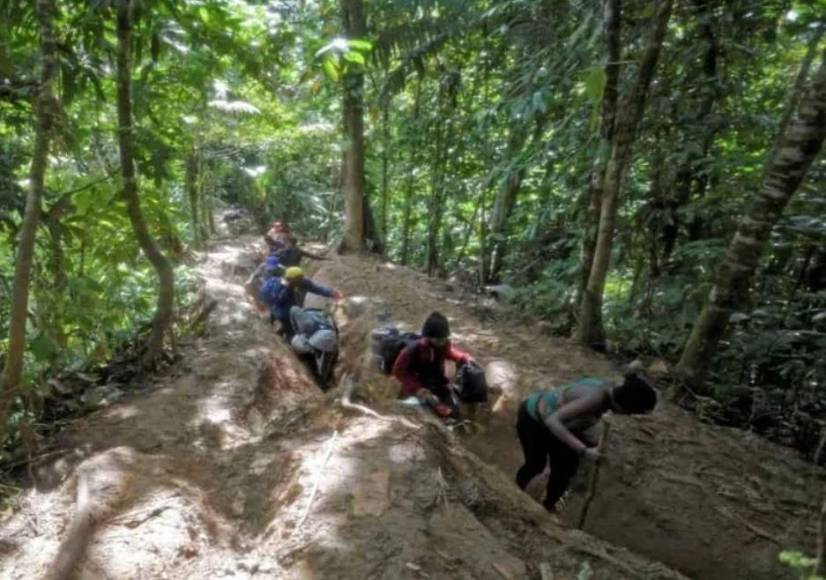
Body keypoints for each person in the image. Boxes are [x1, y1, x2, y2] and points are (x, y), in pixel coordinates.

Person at [515, 371, 657, 512]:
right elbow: (553, 421)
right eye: (629, 412)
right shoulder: (595, 400)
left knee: (566, 469)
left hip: (562, 425)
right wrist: (584, 450)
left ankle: (547, 506)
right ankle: (514, 491)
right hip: (533, 420)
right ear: (622, 406)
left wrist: (632, 372)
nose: (628, 415)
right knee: (535, 464)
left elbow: (630, 372)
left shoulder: (613, 387)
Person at [392, 312, 472, 417]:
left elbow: (449, 352)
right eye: (438, 339)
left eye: (444, 338)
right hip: (416, 385)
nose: (442, 342)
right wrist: (417, 389)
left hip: (436, 384)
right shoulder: (413, 349)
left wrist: (463, 357)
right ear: (428, 337)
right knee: (421, 411)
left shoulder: (443, 344)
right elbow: (398, 370)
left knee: (453, 413)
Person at [259, 266, 343, 337]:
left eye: (301, 278)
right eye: (299, 279)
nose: (301, 280)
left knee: (296, 321)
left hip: (295, 306)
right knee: (289, 327)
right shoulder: (280, 285)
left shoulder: (303, 282)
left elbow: (317, 289)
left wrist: (332, 293)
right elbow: (277, 300)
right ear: (291, 279)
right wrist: (286, 288)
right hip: (281, 310)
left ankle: (286, 330)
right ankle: (289, 339)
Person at [290, 306, 338, 388]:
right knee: (325, 362)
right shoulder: (309, 313)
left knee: (325, 363)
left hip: (325, 336)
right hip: (327, 332)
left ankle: (322, 382)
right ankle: (323, 379)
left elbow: (302, 333)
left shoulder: (303, 328)